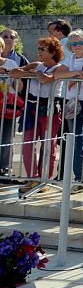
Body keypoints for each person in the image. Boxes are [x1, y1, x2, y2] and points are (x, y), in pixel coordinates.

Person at [11, 38, 66, 195]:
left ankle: (44, 179)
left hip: (50, 108)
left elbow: (44, 79)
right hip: (32, 107)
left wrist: (32, 74)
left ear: (53, 52)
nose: (39, 51)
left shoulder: (60, 68)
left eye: (43, 49)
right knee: (28, 144)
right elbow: (14, 73)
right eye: (39, 48)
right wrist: (34, 72)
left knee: (49, 145)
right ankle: (32, 178)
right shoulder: (36, 65)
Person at [53, 29, 83, 189]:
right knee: (76, 137)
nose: (78, 46)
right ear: (70, 47)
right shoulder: (70, 59)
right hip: (73, 101)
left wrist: (73, 77)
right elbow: (58, 74)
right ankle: (78, 176)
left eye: (80, 43)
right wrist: (77, 74)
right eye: (74, 44)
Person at [0, 29, 28, 180]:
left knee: (7, 137)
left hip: (8, 104)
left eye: (12, 37)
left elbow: (22, 83)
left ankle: (4, 168)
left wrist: (15, 77)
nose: (9, 39)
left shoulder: (17, 61)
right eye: (5, 36)